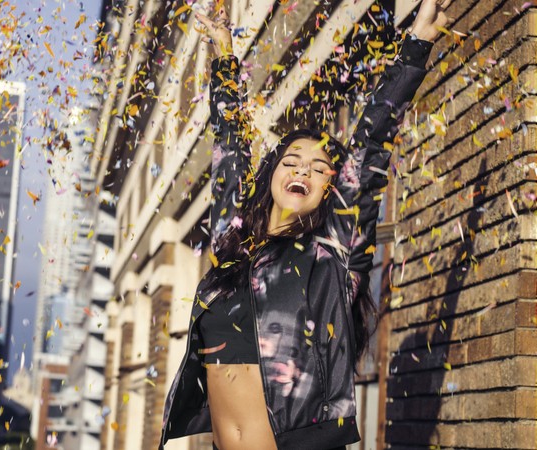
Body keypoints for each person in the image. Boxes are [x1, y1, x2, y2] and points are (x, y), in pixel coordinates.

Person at [159, 0, 451, 449]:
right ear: (272, 175)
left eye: (318, 168)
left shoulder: (333, 247)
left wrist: (418, 45)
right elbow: (230, 146)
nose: (302, 172)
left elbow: (369, 145)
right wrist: (221, 53)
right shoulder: (232, 239)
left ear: (330, 188)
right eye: (292, 161)